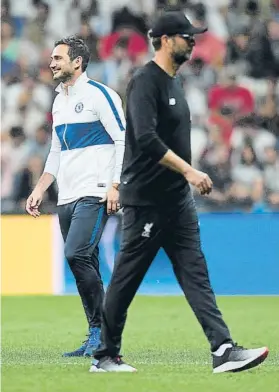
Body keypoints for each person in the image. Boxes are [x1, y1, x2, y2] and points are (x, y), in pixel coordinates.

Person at [90, 12, 268, 373]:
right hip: (147, 201)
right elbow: (145, 138)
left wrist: (184, 180)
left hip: (177, 202)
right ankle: (105, 355)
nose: (193, 42)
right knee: (126, 278)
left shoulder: (174, 83)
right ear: (166, 39)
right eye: (187, 37)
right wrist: (189, 171)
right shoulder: (145, 81)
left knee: (195, 274)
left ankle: (223, 349)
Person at [25, 36, 126, 357]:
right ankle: (97, 335)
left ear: (77, 62)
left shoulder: (100, 95)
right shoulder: (58, 101)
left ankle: (106, 328)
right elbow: (56, 151)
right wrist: (40, 188)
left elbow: (124, 139)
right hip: (66, 195)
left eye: (58, 58)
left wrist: (115, 184)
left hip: (94, 191)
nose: (52, 63)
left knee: (75, 254)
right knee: (87, 262)